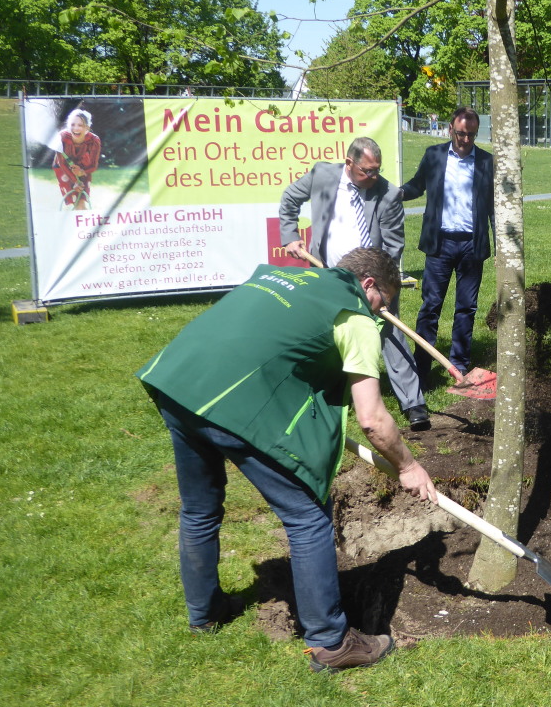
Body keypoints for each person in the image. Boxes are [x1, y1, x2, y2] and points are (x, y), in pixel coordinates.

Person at [136, 248, 437, 672]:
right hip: (229, 404)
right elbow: (372, 419)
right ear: (368, 284)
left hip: (177, 382)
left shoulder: (283, 278)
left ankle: (204, 613)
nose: (380, 312)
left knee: (200, 509)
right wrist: (409, 466)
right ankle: (331, 643)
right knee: (309, 518)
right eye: (382, 302)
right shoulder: (353, 316)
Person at [279, 137, 430, 430]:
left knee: (391, 333)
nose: (373, 177)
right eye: (367, 171)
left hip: (373, 279)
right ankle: (322, 396)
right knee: (326, 333)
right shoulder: (322, 176)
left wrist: (375, 280)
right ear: (349, 163)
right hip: (329, 274)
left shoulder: (388, 194)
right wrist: (290, 235)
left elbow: (393, 244)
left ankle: (414, 403)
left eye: (377, 170)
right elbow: (290, 199)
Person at [401, 107, 495, 381]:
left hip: (471, 245)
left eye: (471, 135)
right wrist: (397, 193)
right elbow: (417, 186)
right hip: (439, 244)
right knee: (430, 306)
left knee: (466, 307)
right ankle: (422, 366)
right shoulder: (435, 155)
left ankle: (459, 363)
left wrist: (502, 244)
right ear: (450, 129)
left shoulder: (487, 162)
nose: (465, 139)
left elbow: (494, 207)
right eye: (461, 133)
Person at [53, 108, 101, 211]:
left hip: (83, 169)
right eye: (73, 124)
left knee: (81, 200)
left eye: (80, 125)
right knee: (74, 199)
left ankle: (83, 221)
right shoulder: (61, 138)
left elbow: (93, 165)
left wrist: (82, 172)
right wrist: (75, 180)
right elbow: (62, 163)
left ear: (87, 128)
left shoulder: (94, 140)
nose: (76, 128)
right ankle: (76, 219)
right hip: (63, 169)